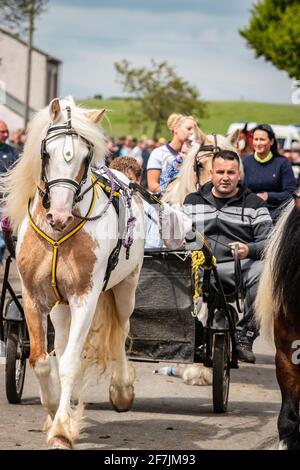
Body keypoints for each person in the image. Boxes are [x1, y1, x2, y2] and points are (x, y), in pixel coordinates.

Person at [184, 150, 273, 363]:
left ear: (239, 175)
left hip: (238, 268)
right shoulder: (192, 201)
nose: (225, 177)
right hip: (198, 269)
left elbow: (270, 243)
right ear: (212, 173)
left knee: (265, 273)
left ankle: (246, 334)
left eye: (231, 172)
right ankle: (193, 334)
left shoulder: (255, 205)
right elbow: (177, 235)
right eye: (221, 171)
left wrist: (248, 250)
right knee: (170, 274)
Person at [109, 156, 192, 250]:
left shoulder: (151, 207)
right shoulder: (108, 207)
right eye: (117, 181)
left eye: (128, 179)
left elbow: (153, 247)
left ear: (138, 179)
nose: (122, 185)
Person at [242, 124, 296, 221]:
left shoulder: (282, 163)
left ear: (271, 141)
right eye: (256, 139)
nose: (258, 143)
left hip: (276, 213)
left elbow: (290, 193)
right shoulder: (244, 162)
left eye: (262, 140)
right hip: (248, 212)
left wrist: (268, 196)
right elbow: (239, 188)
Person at [147, 113, 197, 196]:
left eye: (195, 129)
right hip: (165, 204)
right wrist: (176, 193)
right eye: (189, 128)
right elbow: (153, 186)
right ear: (176, 129)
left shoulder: (196, 154)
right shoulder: (158, 153)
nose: (192, 132)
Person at [0, 120, 20, 263]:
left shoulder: (12, 152)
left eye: (7, 131)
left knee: (2, 239)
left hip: (5, 202)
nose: (6, 134)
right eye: (2, 131)